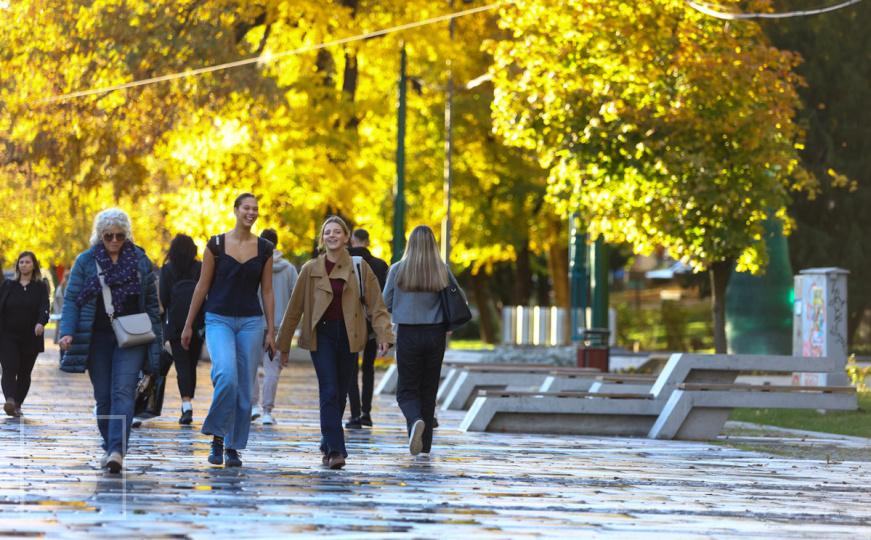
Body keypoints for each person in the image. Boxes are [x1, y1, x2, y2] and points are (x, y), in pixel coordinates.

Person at [276, 216, 393, 470]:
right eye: (327, 232)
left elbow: (376, 305)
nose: (332, 235)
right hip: (323, 335)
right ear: (322, 238)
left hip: (350, 335)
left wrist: (384, 334)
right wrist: (283, 344)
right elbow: (294, 309)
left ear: (346, 238)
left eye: (337, 232)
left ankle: (327, 442)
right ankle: (337, 450)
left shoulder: (360, 267)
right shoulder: (309, 269)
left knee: (340, 394)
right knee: (328, 390)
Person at [58, 209, 162, 474]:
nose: (114, 240)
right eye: (109, 236)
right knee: (103, 398)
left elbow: (152, 306)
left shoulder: (139, 260)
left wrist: (157, 347)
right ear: (100, 235)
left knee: (123, 392)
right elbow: (72, 300)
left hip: (132, 338)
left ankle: (117, 449)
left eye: (119, 235)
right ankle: (110, 444)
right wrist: (67, 331)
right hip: (98, 339)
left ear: (126, 235)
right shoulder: (86, 261)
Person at [180, 193, 275, 468]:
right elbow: (202, 287)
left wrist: (271, 331)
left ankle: (233, 447)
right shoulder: (216, 245)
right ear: (235, 210)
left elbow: (267, 292)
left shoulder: (265, 248)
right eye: (247, 207)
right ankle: (217, 437)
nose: (252, 212)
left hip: (251, 322)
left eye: (256, 209)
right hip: (218, 319)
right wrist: (188, 325)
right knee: (227, 376)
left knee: (245, 387)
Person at [382, 225, 467, 457]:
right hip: (435, 334)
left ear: (410, 243)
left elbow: (385, 303)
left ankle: (415, 421)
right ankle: (425, 445)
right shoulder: (441, 270)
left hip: (408, 333)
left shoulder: (398, 269)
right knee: (428, 389)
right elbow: (460, 300)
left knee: (406, 391)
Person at [252, 228, 298, 425]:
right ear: (277, 244)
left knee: (251, 366)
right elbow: (296, 298)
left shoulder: (254, 264)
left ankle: (253, 405)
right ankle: (268, 412)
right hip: (278, 324)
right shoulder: (289, 269)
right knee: (272, 368)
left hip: (253, 322)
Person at [345, 228, 389, 429]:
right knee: (368, 367)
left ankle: (354, 415)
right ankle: (366, 414)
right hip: (372, 324)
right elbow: (384, 299)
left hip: (349, 323)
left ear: (352, 240)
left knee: (351, 369)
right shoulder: (380, 265)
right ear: (368, 241)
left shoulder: (342, 261)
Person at [159, 233, 204, 425]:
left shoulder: (167, 270)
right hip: (198, 325)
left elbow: (163, 300)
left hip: (176, 325)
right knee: (191, 363)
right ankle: (188, 401)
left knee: (181, 365)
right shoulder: (200, 267)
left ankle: (187, 405)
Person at [0, 251, 51, 418]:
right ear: (17, 265)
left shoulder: (40, 287)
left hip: (31, 336)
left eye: (27, 262)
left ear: (33, 265)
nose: (24, 265)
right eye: (21, 262)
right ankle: (9, 400)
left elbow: (44, 306)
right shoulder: (8, 285)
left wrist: (40, 323)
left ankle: (18, 404)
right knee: (9, 368)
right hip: (8, 335)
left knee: (24, 372)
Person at [52, 267, 72, 363]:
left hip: (70, 316)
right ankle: (62, 358)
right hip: (61, 316)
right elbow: (56, 302)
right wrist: (58, 312)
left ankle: (67, 358)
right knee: (62, 337)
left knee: (68, 338)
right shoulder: (60, 288)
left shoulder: (73, 287)